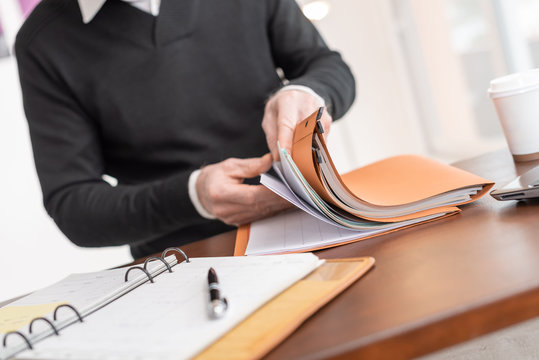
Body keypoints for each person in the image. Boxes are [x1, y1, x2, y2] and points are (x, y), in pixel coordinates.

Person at [15, 0, 355, 258]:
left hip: (307, 222)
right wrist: (193, 196)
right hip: (180, 264)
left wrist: (307, 93)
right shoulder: (43, 43)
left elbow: (326, 65)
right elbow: (73, 205)